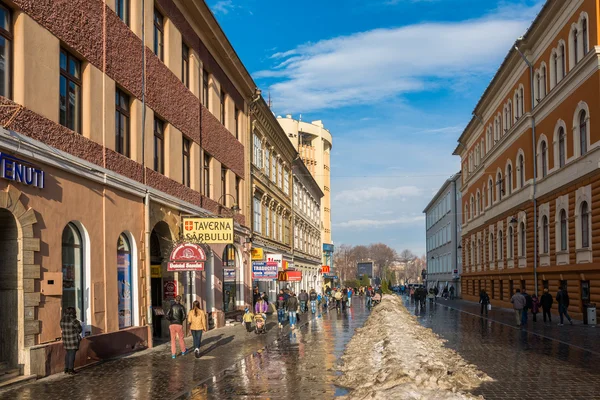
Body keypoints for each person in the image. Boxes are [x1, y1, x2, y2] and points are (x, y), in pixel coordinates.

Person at [60, 307, 82, 374]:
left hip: (66, 339)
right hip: (73, 339)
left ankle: (66, 368)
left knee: (68, 353)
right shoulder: (74, 320)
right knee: (72, 354)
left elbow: (62, 328)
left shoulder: (62, 320)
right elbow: (79, 329)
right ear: (73, 312)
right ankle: (71, 369)